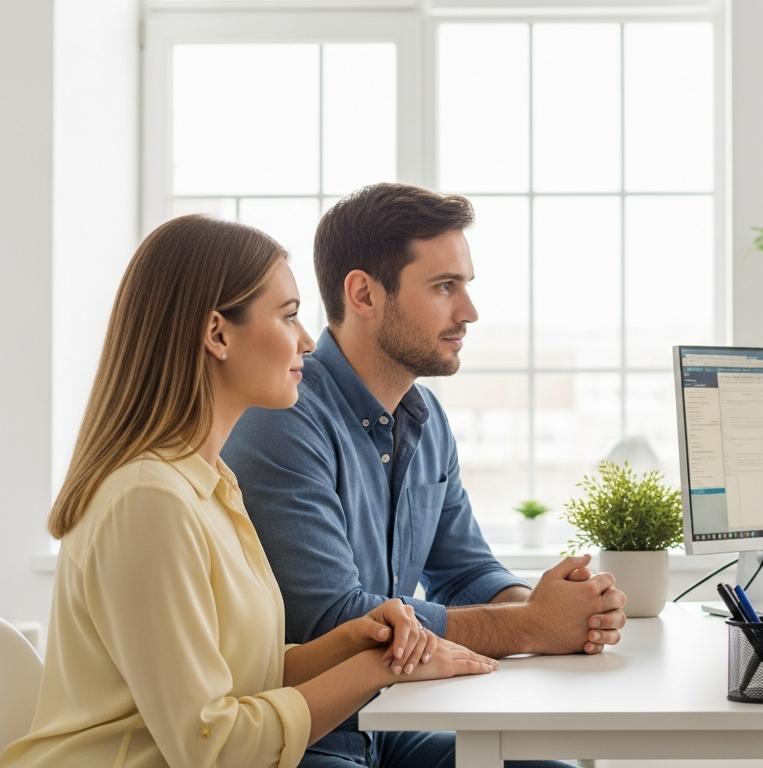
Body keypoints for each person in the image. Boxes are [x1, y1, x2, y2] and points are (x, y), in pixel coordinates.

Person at [0, 216, 496, 768]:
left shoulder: (211, 483)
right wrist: (385, 665)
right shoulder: (149, 501)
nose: (307, 341)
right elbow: (212, 746)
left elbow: (242, 675)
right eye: (288, 316)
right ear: (217, 334)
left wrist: (358, 640)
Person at [223, 183, 624, 767]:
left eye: (465, 286)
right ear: (363, 293)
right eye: (444, 287)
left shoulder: (424, 415)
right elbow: (333, 620)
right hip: (305, 741)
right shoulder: (284, 415)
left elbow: (463, 570)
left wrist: (560, 609)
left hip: (386, 726)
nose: (469, 312)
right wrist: (532, 627)